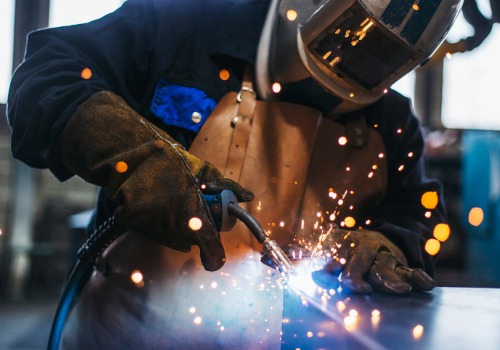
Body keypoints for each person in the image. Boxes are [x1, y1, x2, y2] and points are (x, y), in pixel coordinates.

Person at [7, 0, 462, 348]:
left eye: (386, 57)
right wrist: (139, 157)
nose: (358, 63)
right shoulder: (185, 27)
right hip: (124, 333)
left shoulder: (393, 123)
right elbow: (45, 76)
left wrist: (389, 243)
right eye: (349, 37)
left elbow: (415, 214)